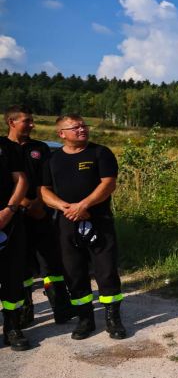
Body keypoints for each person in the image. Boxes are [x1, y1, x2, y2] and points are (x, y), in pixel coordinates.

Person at [40, 114, 126, 341]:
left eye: (83, 126)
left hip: (99, 221)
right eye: (75, 127)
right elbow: (44, 190)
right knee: (74, 273)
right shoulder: (52, 160)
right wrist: (65, 207)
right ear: (61, 134)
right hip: (66, 222)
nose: (82, 130)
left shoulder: (100, 153)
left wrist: (84, 205)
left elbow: (108, 184)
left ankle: (113, 319)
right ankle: (85, 320)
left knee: (106, 271)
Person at [4, 106, 74, 326]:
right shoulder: (2, 147)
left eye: (32, 120)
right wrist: (23, 203)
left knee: (51, 262)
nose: (32, 125)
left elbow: (47, 180)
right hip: (13, 215)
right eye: (27, 121)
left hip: (41, 211)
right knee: (20, 266)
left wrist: (38, 204)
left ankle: (61, 308)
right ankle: (25, 312)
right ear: (11, 122)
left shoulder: (40, 148)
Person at [0, 112, 30, 350]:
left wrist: (9, 210)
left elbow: (21, 180)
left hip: (8, 221)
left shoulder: (7, 147)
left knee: (12, 278)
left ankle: (12, 327)